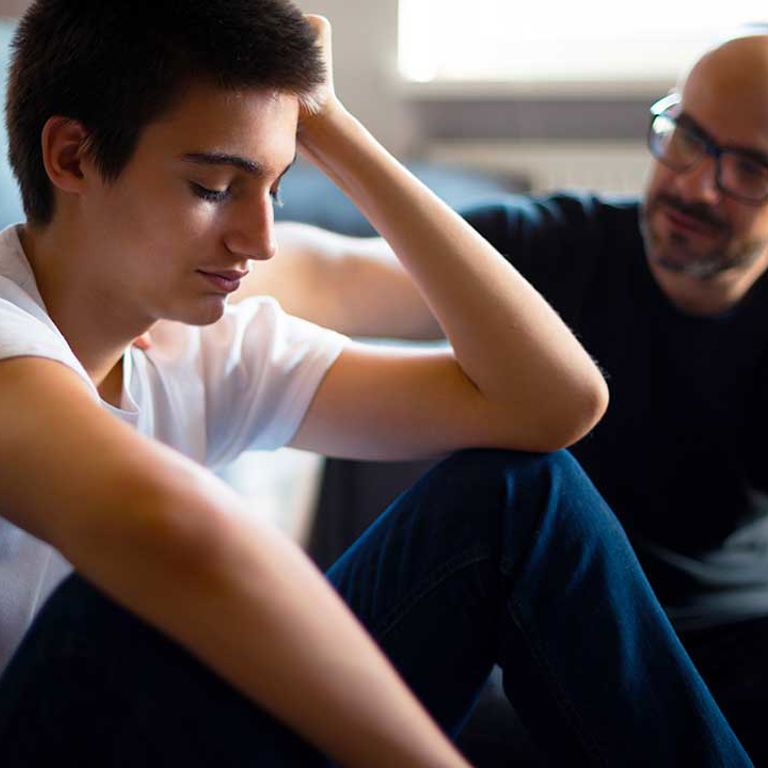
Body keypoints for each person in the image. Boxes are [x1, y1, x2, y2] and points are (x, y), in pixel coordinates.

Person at [0, 1, 751, 765]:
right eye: (215, 187)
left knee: (519, 496)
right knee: (123, 607)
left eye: (275, 186)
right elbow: (176, 533)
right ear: (71, 157)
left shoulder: (206, 348)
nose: (259, 241)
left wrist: (332, 124)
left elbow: (555, 406)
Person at [246, 30, 768, 764]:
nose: (694, 186)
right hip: (557, 639)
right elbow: (334, 275)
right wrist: (188, 267)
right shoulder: (565, 246)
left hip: (739, 650)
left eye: (747, 168)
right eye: (687, 137)